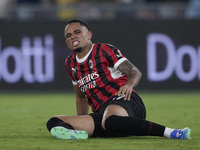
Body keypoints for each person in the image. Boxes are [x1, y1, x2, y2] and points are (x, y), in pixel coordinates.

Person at [46, 19, 191, 140]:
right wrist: (82, 122)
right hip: (101, 114)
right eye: (68, 35)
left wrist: (129, 84)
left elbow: (135, 72)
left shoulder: (104, 50)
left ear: (89, 34)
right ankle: (76, 134)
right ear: (66, 42)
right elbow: (80, 96)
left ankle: (171, 132)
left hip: (125, 100)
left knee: (111, 121)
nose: (72, 36)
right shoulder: (70, 63)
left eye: (77, 32)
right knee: (54, 122)